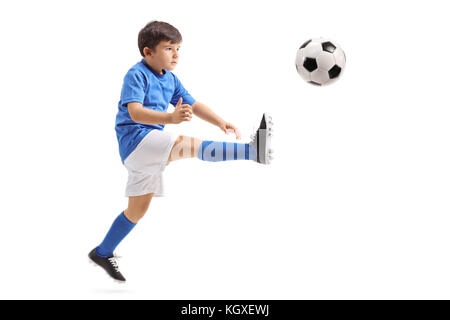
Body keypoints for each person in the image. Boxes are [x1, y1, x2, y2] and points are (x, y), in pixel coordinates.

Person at [88, 21, 273, 282]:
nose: (175, 54)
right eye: (168, 48)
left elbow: (193, 104)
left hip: (148, 147)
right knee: (186, 144)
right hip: (135, 139)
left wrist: (220, 121)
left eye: (178, 49)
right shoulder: (136, 74)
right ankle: (252, 152)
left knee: (137, 211)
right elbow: (134, 112)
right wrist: (171, 118)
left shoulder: (170, 78)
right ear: (147, 52)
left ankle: (102, 252)